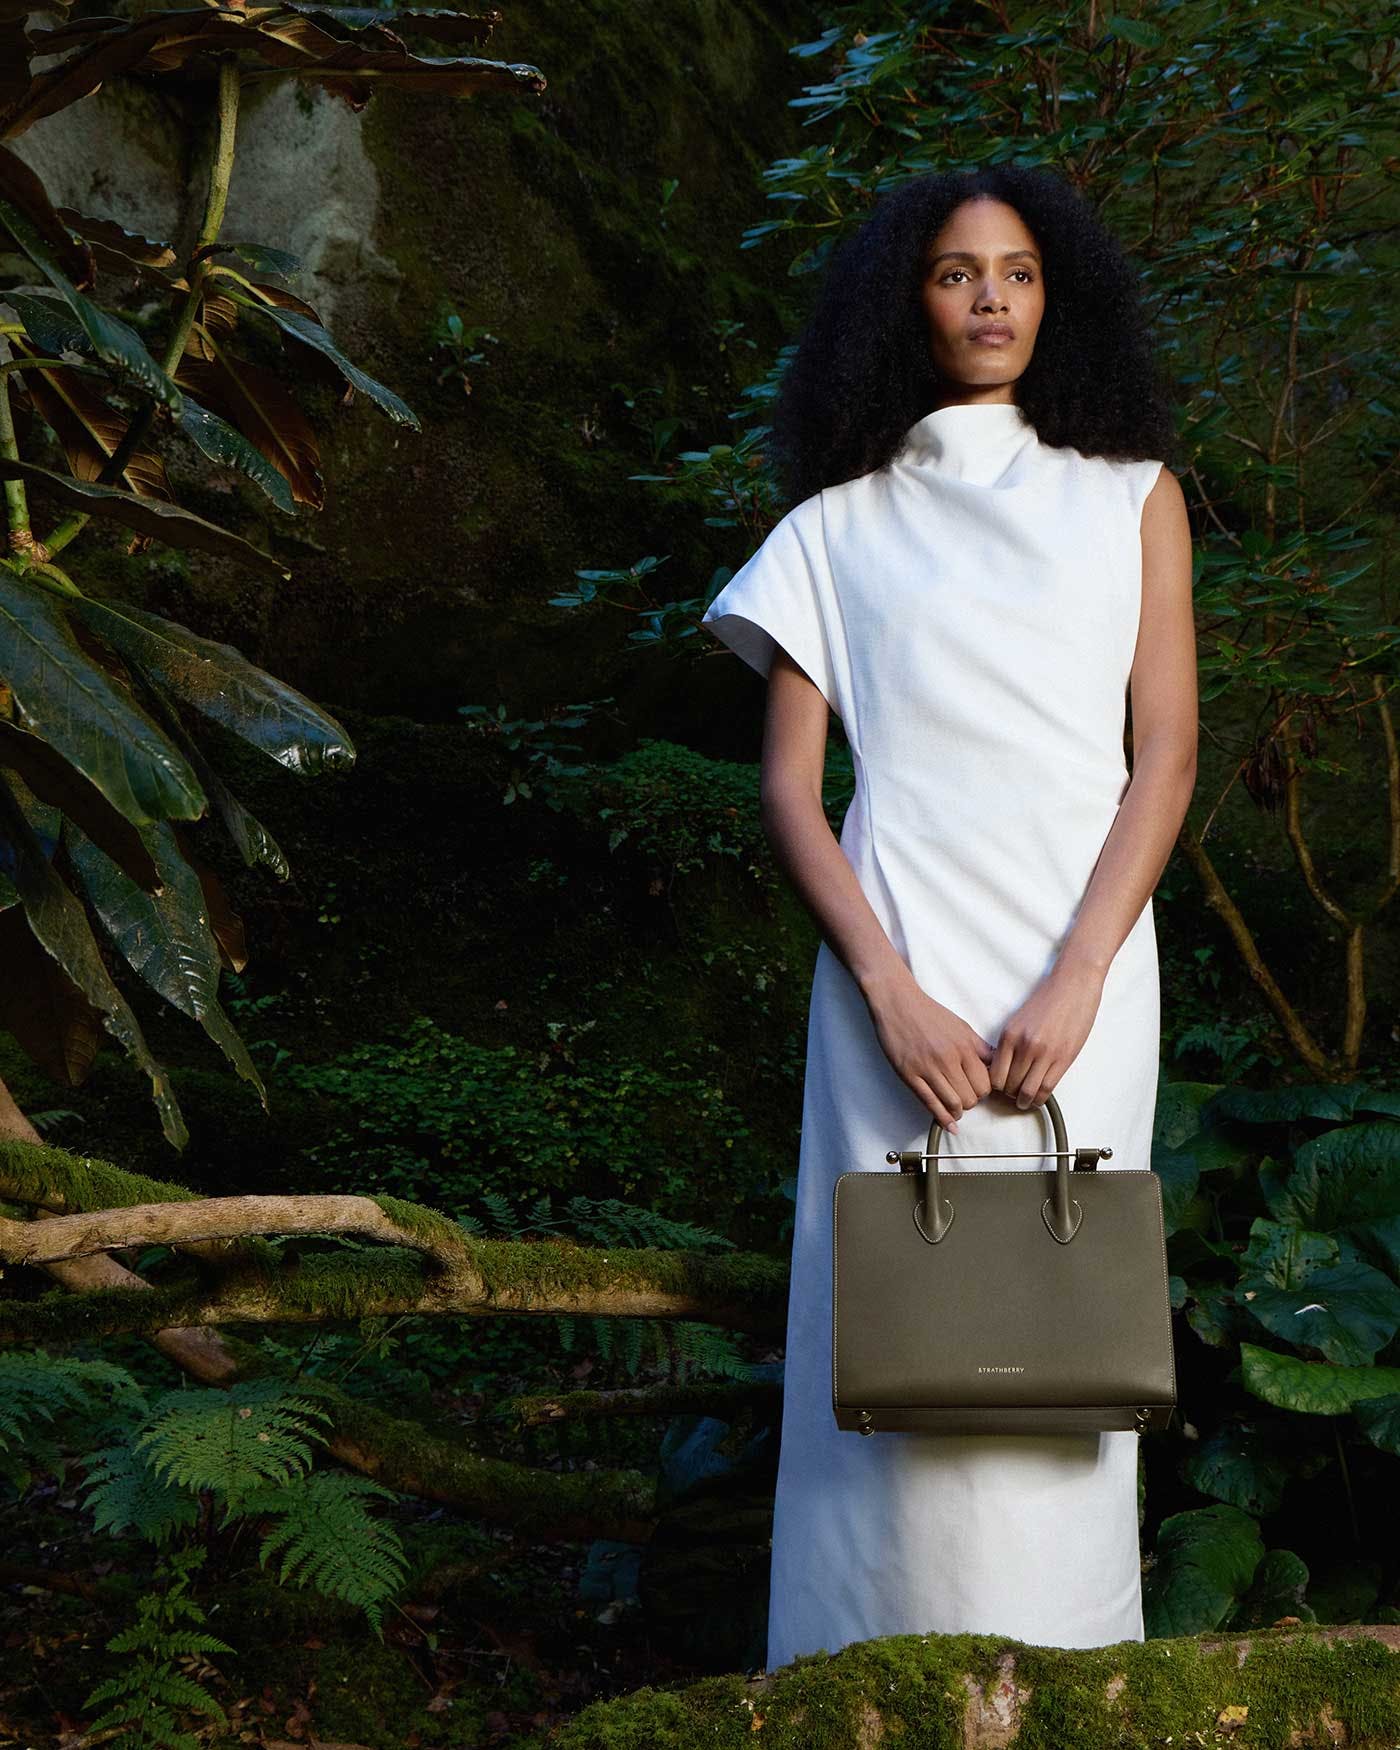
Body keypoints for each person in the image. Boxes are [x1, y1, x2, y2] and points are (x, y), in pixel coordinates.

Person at [699, 165, 1197, 1671]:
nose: (991, 296)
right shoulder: (834, 530)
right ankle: (861, 1684)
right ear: (900, 303)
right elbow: (794, 788)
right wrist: (887, 987)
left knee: (1062, 1334)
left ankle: (1060, 1686)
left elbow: (1163, 751)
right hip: (893, 970)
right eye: (957, 271)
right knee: (888, 1342)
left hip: (1083, 969)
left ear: (1061, 298)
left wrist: (1083, 974)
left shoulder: (1132, 496)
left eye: (1022, 270)